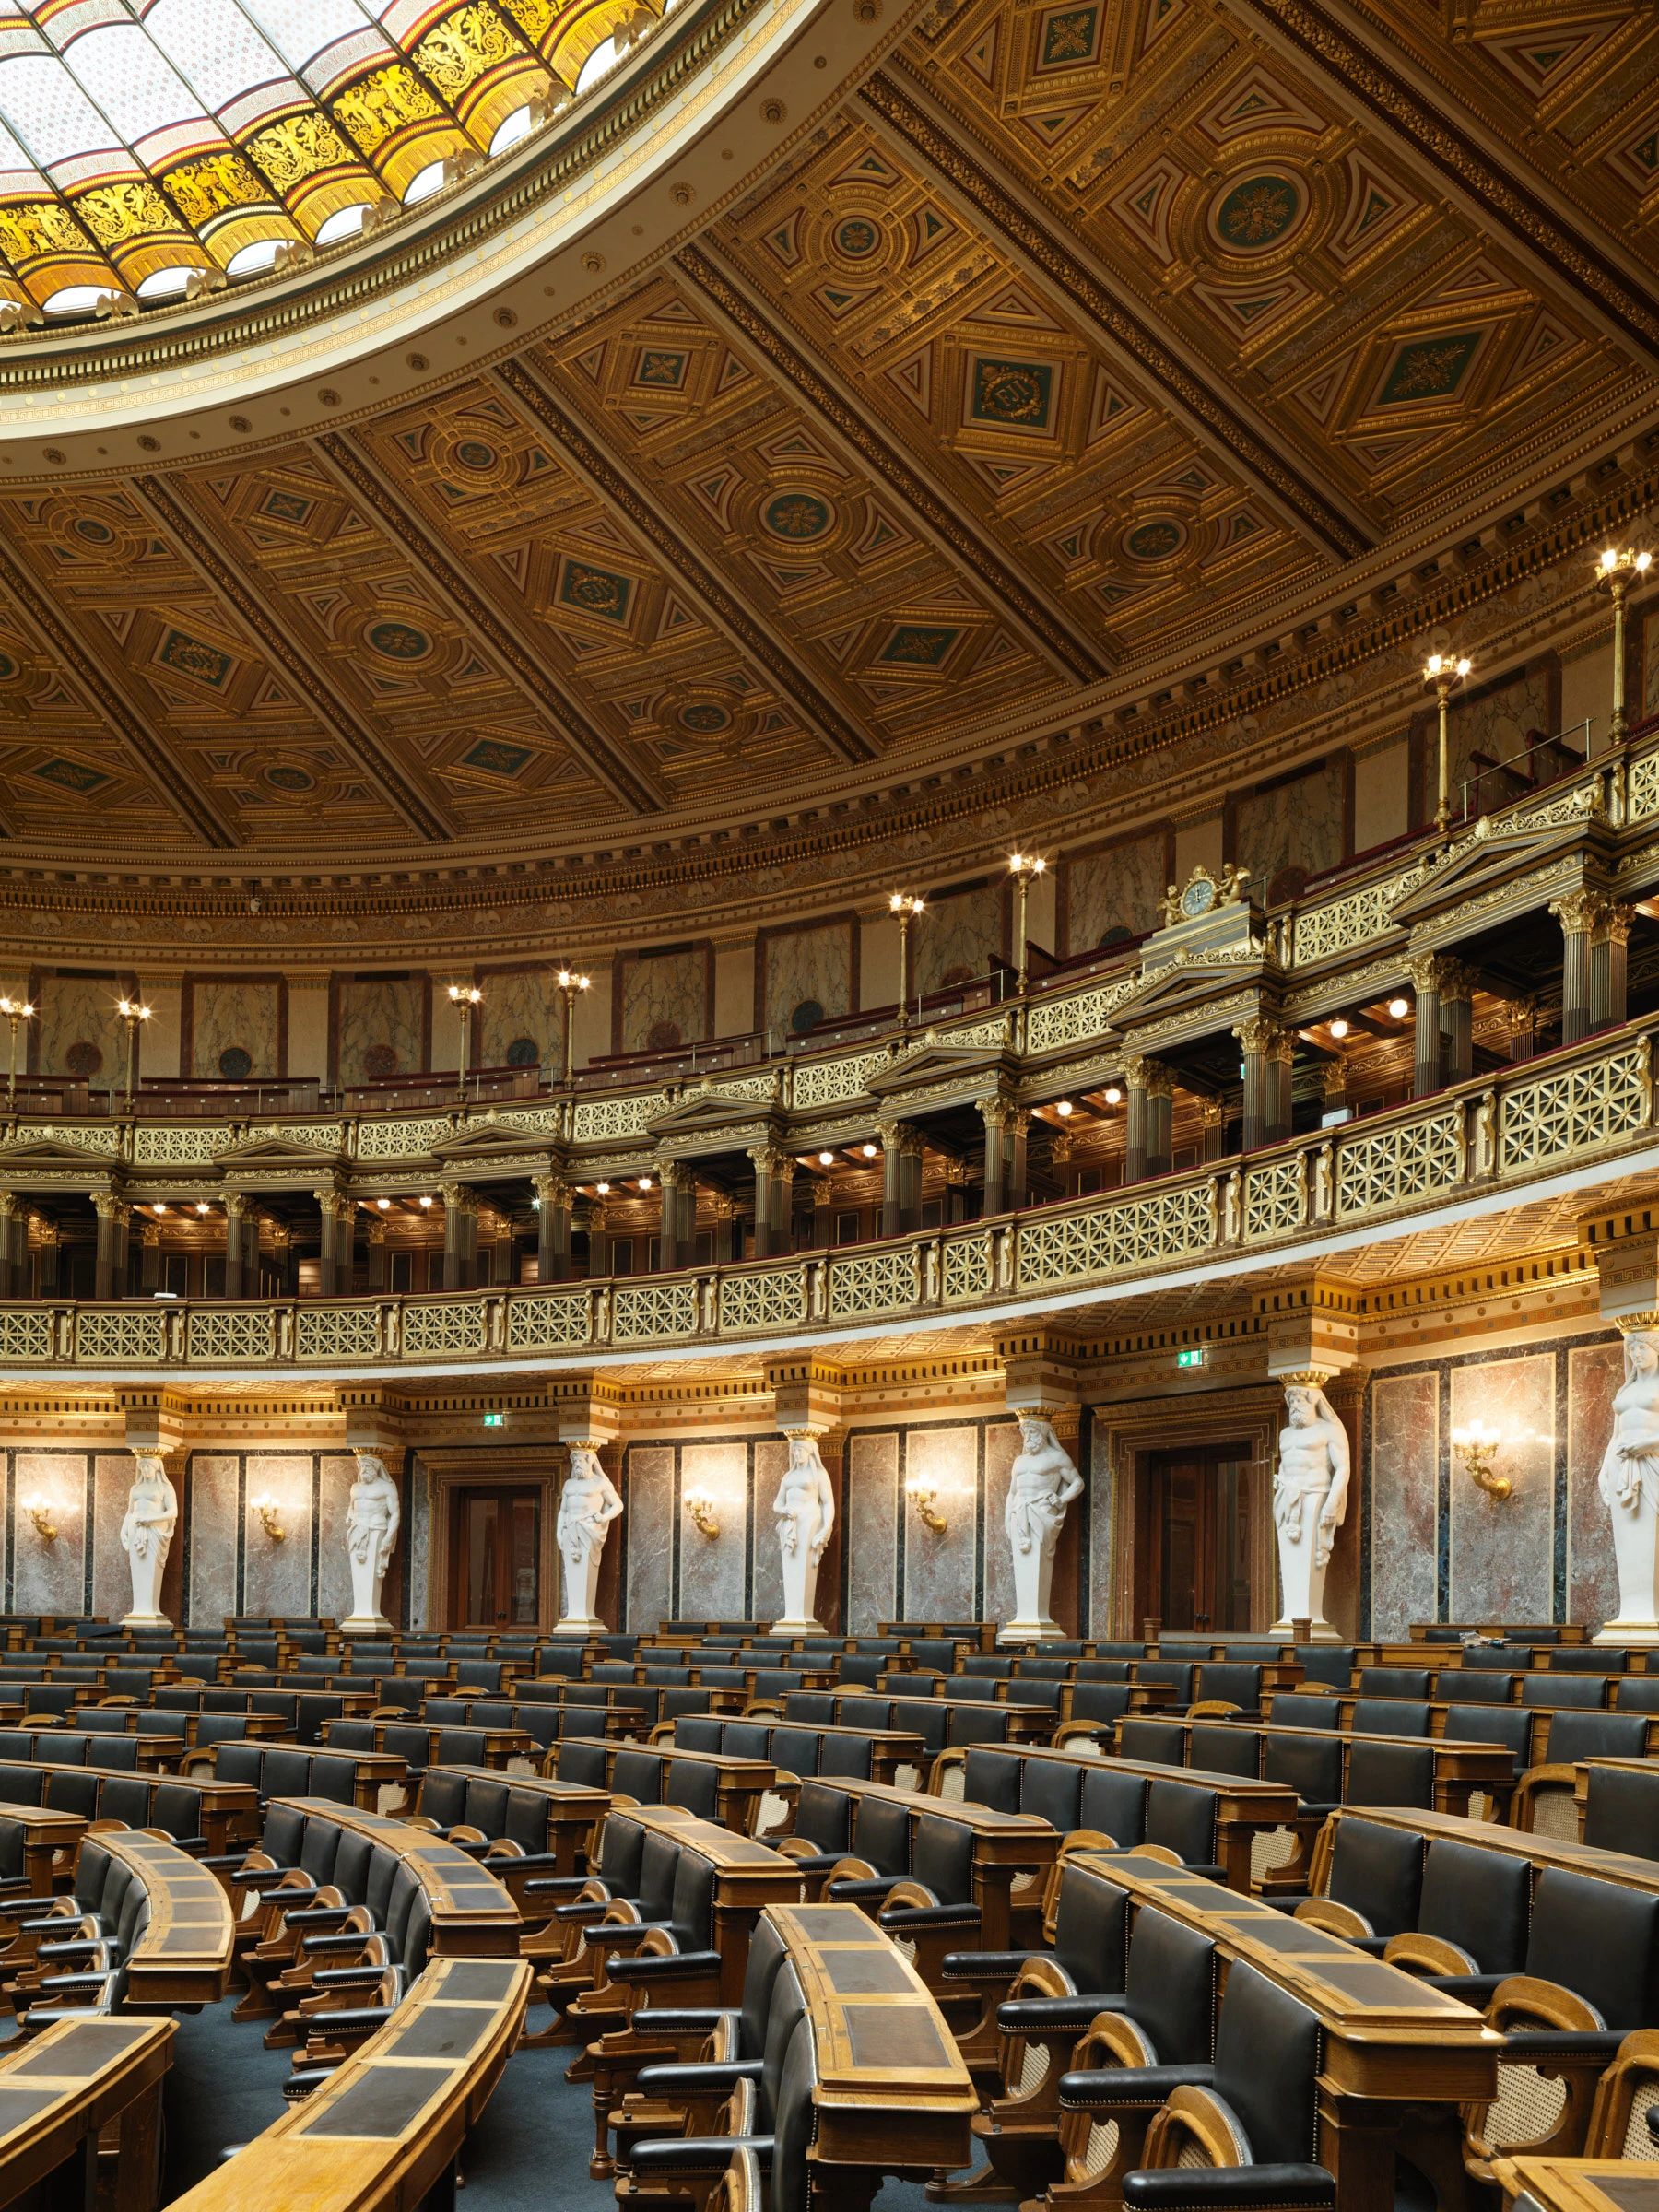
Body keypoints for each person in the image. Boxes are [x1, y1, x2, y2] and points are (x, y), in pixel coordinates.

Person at [1271, 1383, 1349, 1634]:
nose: (1294, 1406)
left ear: (1313, 1400)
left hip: (1316, 1497)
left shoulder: (1330, 1430)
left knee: (1310, 1562)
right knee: (1289, 1562)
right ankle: (1289, 1619)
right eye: (1290, 1401)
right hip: (1287, 1498)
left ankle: (1309, 1622)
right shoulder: (1285, 1434)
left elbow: (1343, 1468)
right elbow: (1285, 1465)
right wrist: (1280, 1478)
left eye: (1299, 1400)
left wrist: (1331, 1502)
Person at [1597, 1329, 1659, 1637]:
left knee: (1652, 1539)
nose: (1635, 1354)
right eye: (1631, 1348)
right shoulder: (1625, 1391)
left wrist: (1649, 1444)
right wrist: (1604, 1470)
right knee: (1628, 1542)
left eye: (1642, 1347)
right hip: (1623, 1468)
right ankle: (1631, 1614)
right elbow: (1616, 1435)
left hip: (1653, 1464)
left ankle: (1650, 1615)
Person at [1002, 1416, 1082, 1639]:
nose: (1029, 1437)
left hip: (1041, 1513)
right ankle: (1023, 1619)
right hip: (1019, 1513)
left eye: (1033, 1432)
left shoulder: (1057, 1458)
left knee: (1038, 1562)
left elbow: (1078, 1482)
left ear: (1045, 1432)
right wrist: (1008, 1518)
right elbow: (1011, 1492)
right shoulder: (1019, 1461)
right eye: (1026, 1432)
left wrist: (1061, 1499)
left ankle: (1038, 1619)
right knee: (1023, 1563)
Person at [557, 1446, 623, 1630]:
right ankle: (573, 1616)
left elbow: (618, 1505)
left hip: (589, 1530)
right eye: (575, 1461)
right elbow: (563, 1511)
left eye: (580, 1460)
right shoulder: (568, 1485)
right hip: (569, 1530)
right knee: (571, 1573)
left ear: (590, 1461)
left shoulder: (600, 1483)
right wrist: (557, 1533)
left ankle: (585, 1616)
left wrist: (603, 1517)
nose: (577, 1464)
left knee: (586, 1571)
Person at [773, 1433, 835, 1630]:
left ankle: (804, 1616)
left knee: (805, 1568)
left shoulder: (819, 1475)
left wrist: (826, 1527)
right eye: (794, 1450)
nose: (797, 1453)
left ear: (810, 1452)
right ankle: (791, 1616)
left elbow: (828, 1503)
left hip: (809, 1522)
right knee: (791, 1569)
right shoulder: (788, 1476)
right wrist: (782, 1510)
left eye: (800, 1450)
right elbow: (777, 1502)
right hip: (789, 1525)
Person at [121, 1452, 178, 1624]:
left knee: (151, 1570)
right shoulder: (135, 1489)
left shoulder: (165, 1488)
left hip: (154, 1532)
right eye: (142, 1466)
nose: (145, 1470)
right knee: (137, 1571)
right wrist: (123, 1531)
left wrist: (151, 1520)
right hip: (136, 1531)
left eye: (148, 1466)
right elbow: (130, 1511)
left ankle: (152, 1610)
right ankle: (138, 1610)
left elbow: (173, 1512)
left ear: (156, 1468)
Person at [345, 1452, 401, 1628]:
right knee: (359, 1573)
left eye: (367, 1466)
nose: (363, 1469)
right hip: (357, 1532)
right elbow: (351, 1508)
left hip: (377, 1530)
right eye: (361, 1466)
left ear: (376, 1468)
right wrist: (351, 1518)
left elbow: (395, 1514)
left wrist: (389, 1538)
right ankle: (359, 1614)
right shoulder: (355, 1487)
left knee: (373, 1574)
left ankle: (371, 1613)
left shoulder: (386, 1487)